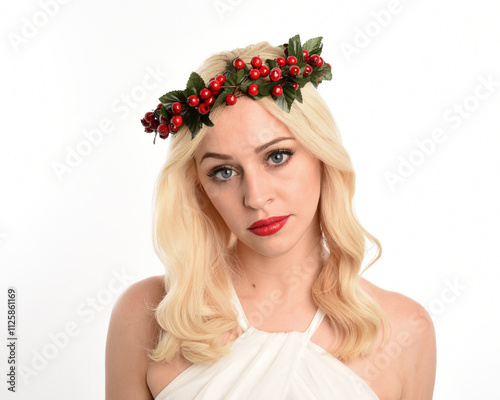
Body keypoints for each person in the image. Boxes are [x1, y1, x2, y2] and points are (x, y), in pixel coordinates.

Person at [105, 35, 436, 400]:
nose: (256, 197)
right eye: (224, 172)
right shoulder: (148, 316)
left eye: (277, 157)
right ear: (200, 187)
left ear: (322, 156)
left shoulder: (405, 329)